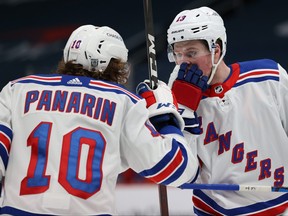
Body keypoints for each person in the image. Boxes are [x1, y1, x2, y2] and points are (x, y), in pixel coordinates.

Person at [0, 24, 199, 215]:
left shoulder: (16, 90)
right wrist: (165, 118)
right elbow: (178, 170)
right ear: (110, 62)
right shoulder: (123, 101)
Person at [166, 6, 288, 215]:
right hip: (214, 211)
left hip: (279, 207)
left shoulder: (269, 77)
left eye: (191, 53)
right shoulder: (173, 96)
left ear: (217, 50)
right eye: (178, 54)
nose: (183, 62)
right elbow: (179, 175)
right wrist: (181, 111)